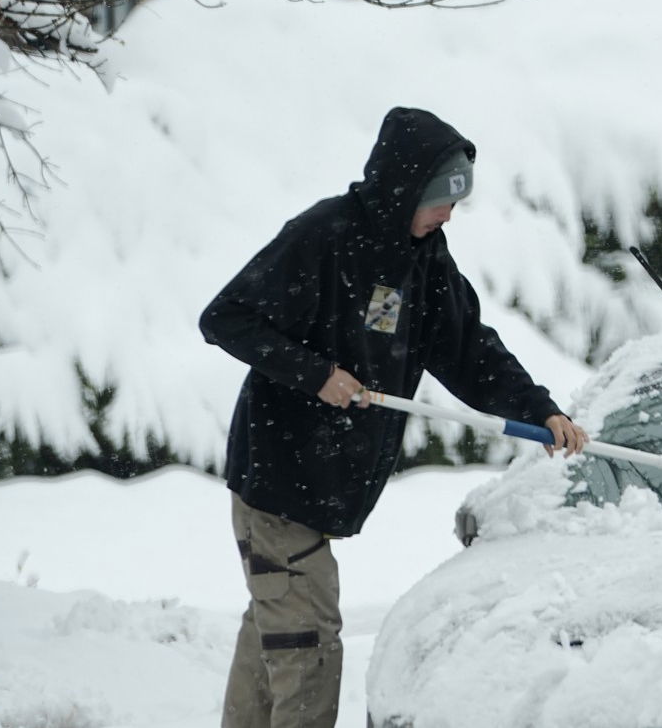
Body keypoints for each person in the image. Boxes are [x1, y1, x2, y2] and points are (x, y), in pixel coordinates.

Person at [198, 106, 587, 728]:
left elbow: (467, 348)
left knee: (275, 632)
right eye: (441, 202)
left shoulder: (423, 256)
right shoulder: (324, 236)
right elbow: (226, 317)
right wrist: (317, 375)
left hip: (320, 487)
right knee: (309, 645)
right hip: (279, 481)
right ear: (405, 191)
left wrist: (538, 408)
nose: (448, 216)